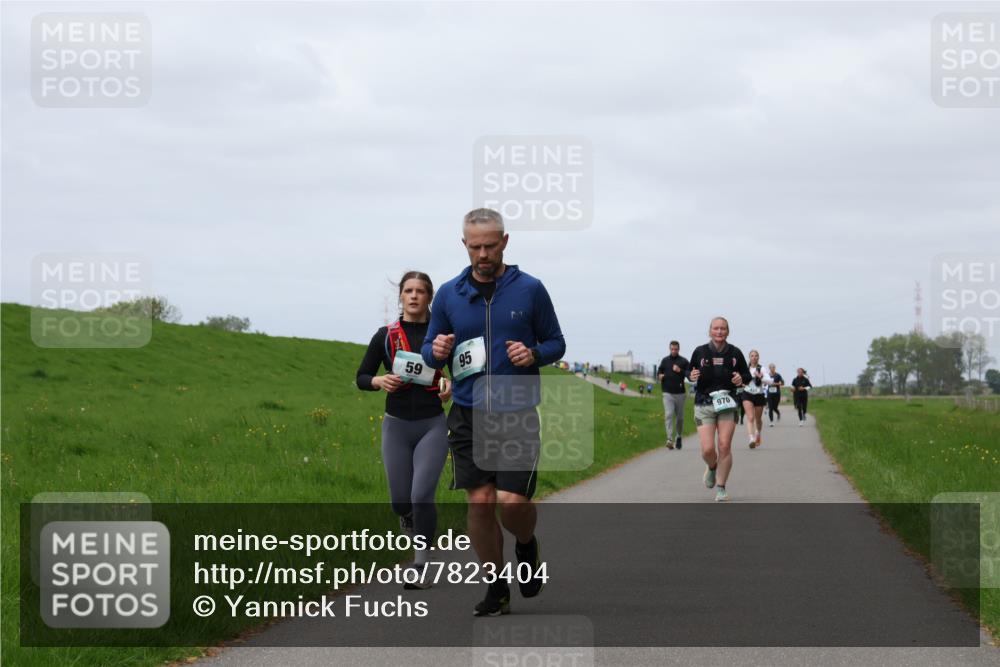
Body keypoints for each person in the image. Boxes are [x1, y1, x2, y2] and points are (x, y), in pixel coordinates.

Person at [421, 208, 566, 617]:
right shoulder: (448, 294)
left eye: (489, 245)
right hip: (468, 412)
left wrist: (533, 353)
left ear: (505, 242)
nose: (482, 254)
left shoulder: (530, 289)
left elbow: (556, 343)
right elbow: (430, 349)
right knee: (481, 502)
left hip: (516, 410)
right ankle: (496, 587)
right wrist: (437, 350)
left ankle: (526, 546)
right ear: (464, 244)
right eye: (475, 247)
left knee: (512, 502)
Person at [356, 271, 452, 589]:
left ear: (429, 297)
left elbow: (461, 373)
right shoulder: (385, 335)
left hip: (432, 424)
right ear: (400, 295)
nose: (413, 296)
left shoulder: (442, 337)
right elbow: (361, 376)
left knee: (421, 495)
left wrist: (450, 386)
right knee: (401, 501)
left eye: (420, 291)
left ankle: (421, 566)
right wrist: (379, 380)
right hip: (396, 426)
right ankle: (408, 517)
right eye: (408, 290)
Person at [687, 317, 750, 502]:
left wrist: (741, 379)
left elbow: (746, 374)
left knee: (724, 445)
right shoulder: (700, 351)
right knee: (708, 449)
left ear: (728, 332)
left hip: (727, 403)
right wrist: (691, 375)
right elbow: (689, 372)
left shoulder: (735, 353)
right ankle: (712, 467)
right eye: (716, 328)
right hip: (704, 403)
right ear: (710, 331)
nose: (719, 331)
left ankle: (721, 488)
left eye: (723, 328)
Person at [657, 340, 689, 450]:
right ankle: (669, 439)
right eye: (672, 349)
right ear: (669, 349)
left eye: (676, 349)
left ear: (679, 349)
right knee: (668, 414)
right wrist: (660, 376)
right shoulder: (665, 360)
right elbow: (659, 372)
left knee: (680, 418)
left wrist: (680, 370)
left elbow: (689, 374)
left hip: (680, 393)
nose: (674, 351)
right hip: (667, 393)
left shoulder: (683, 361)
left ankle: (678, 436)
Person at [740, 350, 768, 449]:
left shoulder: (762, 368)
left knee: (758, 419)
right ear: (749, 357)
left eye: (756, 356)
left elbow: (768, 380)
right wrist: (741, 383)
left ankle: (758, 433)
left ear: (758, 357)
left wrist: (761, 377)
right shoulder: (745, 368)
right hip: (747, 394)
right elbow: (740, 379)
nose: (754, 357)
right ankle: (751, 439)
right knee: (750, 417)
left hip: (759, 395)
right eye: (752, 356)